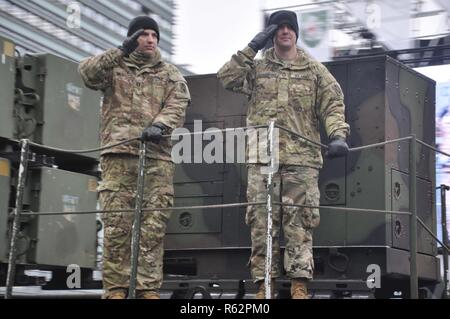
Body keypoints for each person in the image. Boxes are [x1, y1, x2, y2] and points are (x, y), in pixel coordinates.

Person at [218, 10, 350, 299]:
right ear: (272, 33)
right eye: (279, 27)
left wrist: (338, 135)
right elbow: (226, 78)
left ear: (297, 33)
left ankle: (299, 286)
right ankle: (264, 285)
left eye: (290, 27)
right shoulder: (257, 67)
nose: (285, 32)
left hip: (301, 160)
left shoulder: (314, 70)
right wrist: (253, 46)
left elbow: (333, 105)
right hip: (263, 160)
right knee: (260, 222)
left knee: (299, 223)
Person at [78, 16, 190, 299]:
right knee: (117, 226)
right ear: (133, 38)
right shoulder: (114, 68)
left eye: (154, 35)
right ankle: (115, 290)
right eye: (144, 34)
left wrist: (160, 125)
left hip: (156, 159)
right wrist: (119, 50)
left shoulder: (170, 74)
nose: (151, 39)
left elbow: (178, 104)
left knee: (152, 229)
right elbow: (87, 74)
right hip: (118, 158)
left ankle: (147, 289)